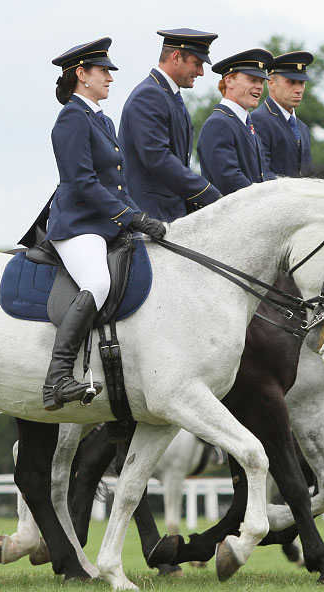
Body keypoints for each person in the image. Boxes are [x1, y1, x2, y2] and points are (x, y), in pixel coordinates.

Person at [45, 37, 165, 411]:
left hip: (104, 223)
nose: (110, 78)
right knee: (98, 282)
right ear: (81, 74)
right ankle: (58, 378)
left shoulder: (101, 118)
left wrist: (143, 219)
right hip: (77, 224)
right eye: (103, 71)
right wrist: (128, 216)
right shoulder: (71, 118)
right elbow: (84, 182)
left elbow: (116, 185)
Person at [118, 29, 222, 222]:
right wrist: (209, 194)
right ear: (176, 57)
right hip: (151, 216)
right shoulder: (149, 95)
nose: (200, 72)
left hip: (169, 214)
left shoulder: (167, 96)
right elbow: (158, 158)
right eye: (197, 63)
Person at [196, 48, 273, 196]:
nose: (259, 86)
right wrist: (265, 201)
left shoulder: (245, 123)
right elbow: (229, 179)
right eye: (252, 79)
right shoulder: (218, 124)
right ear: (229, 81)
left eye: (261, 81)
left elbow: (263, 174)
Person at [252, 51, 314, 178]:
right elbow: (263, 173)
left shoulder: (302, 128)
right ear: (271, 83)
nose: (298, 90)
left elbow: (309, 175)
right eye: (291, 82)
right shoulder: (258, 120)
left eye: (301, 83)